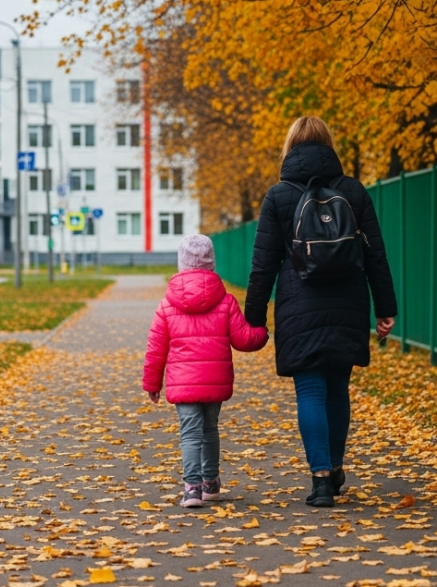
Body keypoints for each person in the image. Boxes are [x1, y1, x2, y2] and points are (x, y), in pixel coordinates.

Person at [244, 116, 398, 507]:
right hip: (349, 300)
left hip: (299, 304)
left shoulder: (279, 196)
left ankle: (321, 479)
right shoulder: (354, 191)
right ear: (328, 145)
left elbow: (263, 264)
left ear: (290, 146)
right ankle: (336, 466)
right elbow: (375, 255)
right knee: (337, 388)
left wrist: (255, 317)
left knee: (310, 390)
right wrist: (386, 308)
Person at [143, 234, 270, 507]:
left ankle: (192, 489)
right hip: (215, 380)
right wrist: (262, 332)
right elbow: (244, 339)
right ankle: (210, 483)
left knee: (190, 433)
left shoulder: (166, 305)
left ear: (181, 263)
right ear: (212, 263)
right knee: (210, 429)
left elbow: (156, 348)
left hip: (182, 382)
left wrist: (152, 383)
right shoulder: (226, 301)